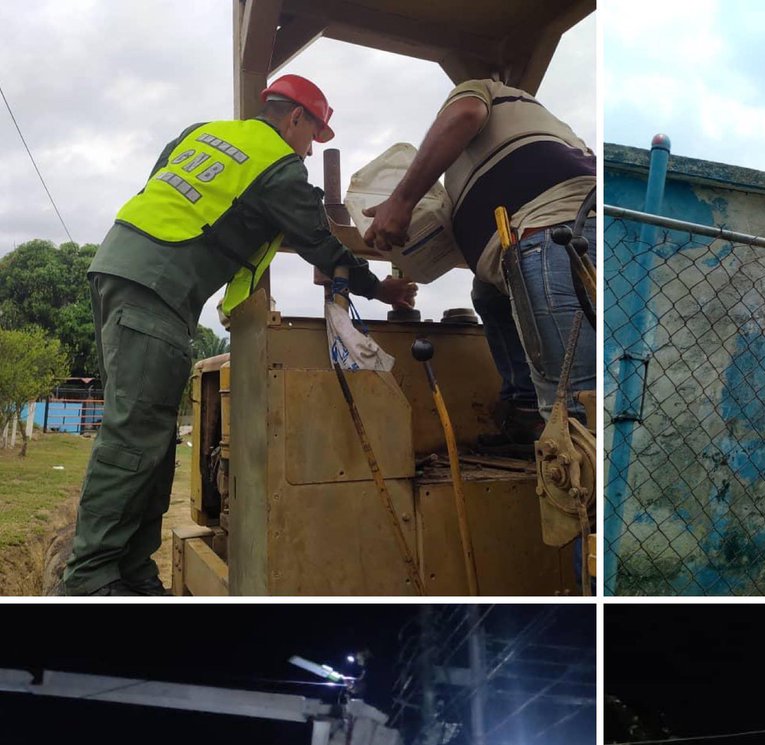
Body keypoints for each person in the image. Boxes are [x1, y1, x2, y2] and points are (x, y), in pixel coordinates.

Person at [62, 74, 417, 596]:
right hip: (157, 289)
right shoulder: (278, 167)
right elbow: (321, 243)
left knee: (155, 434)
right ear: (295, 118)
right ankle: (89, 579)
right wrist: (382, 291)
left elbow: (164, 186)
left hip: (125, 270)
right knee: (135, 432)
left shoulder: (200, 133)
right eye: (312, 136)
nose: (310, 151)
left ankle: (134, 571)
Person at [362, 79, 596, 436]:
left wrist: (401, 201)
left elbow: (465, 112)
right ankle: (523, 405)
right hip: (549, 245)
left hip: (549, 238)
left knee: (572, 417)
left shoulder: (480, 89)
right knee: (486, 292)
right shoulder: (544, 135)